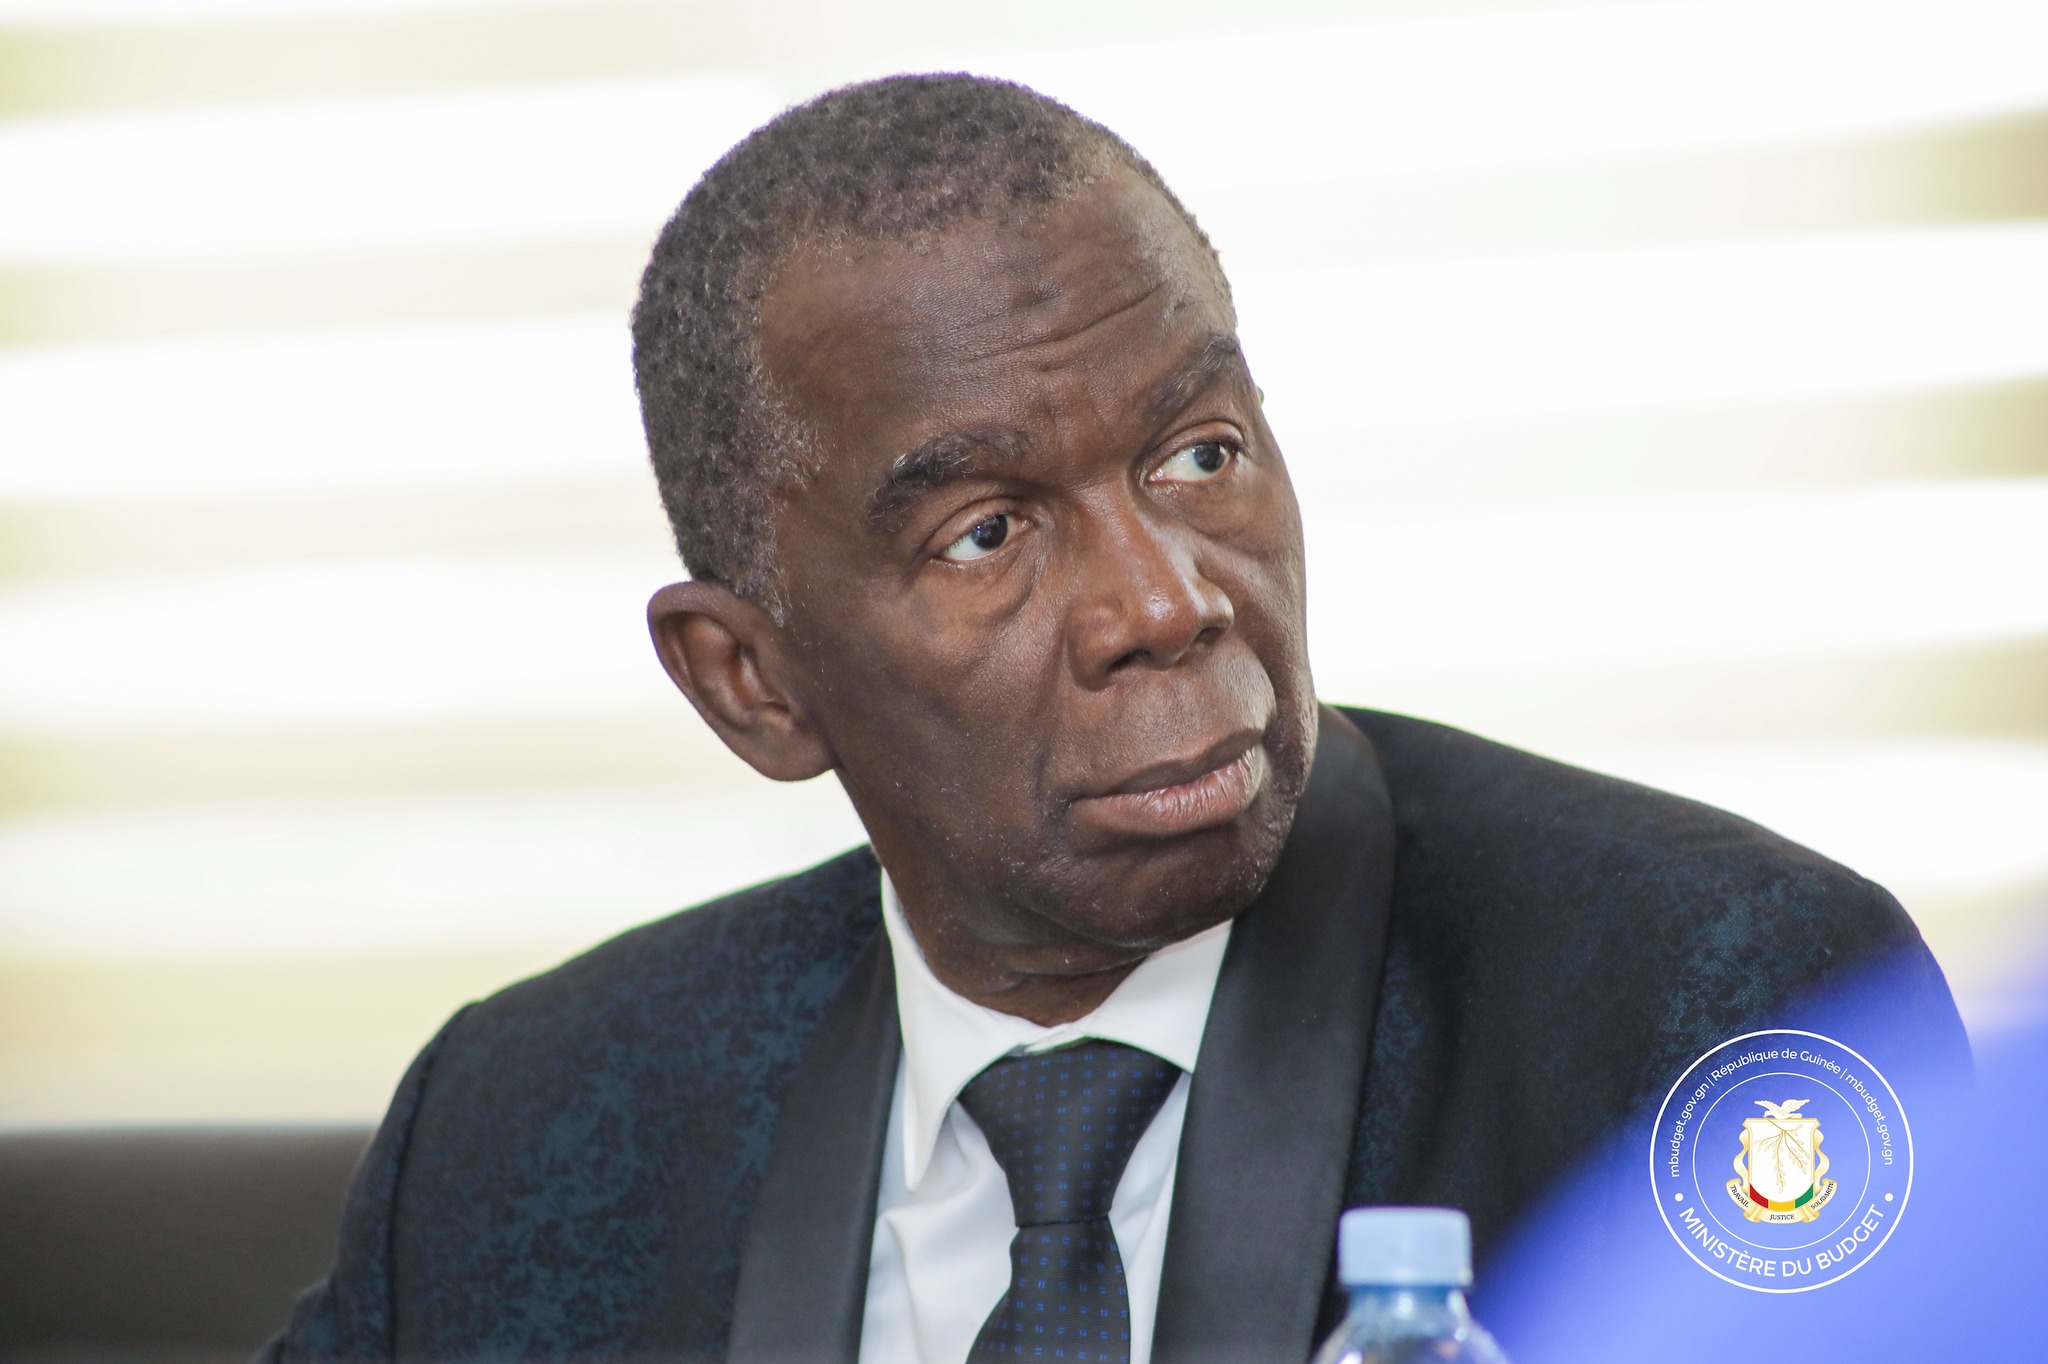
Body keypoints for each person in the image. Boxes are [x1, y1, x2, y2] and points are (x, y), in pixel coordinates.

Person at [262, 75, 1963, 1364]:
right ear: (752, 683)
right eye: (987, 532)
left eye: (1199, 455)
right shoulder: (523, 1134)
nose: (1166, 601)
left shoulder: (1720, 1016)